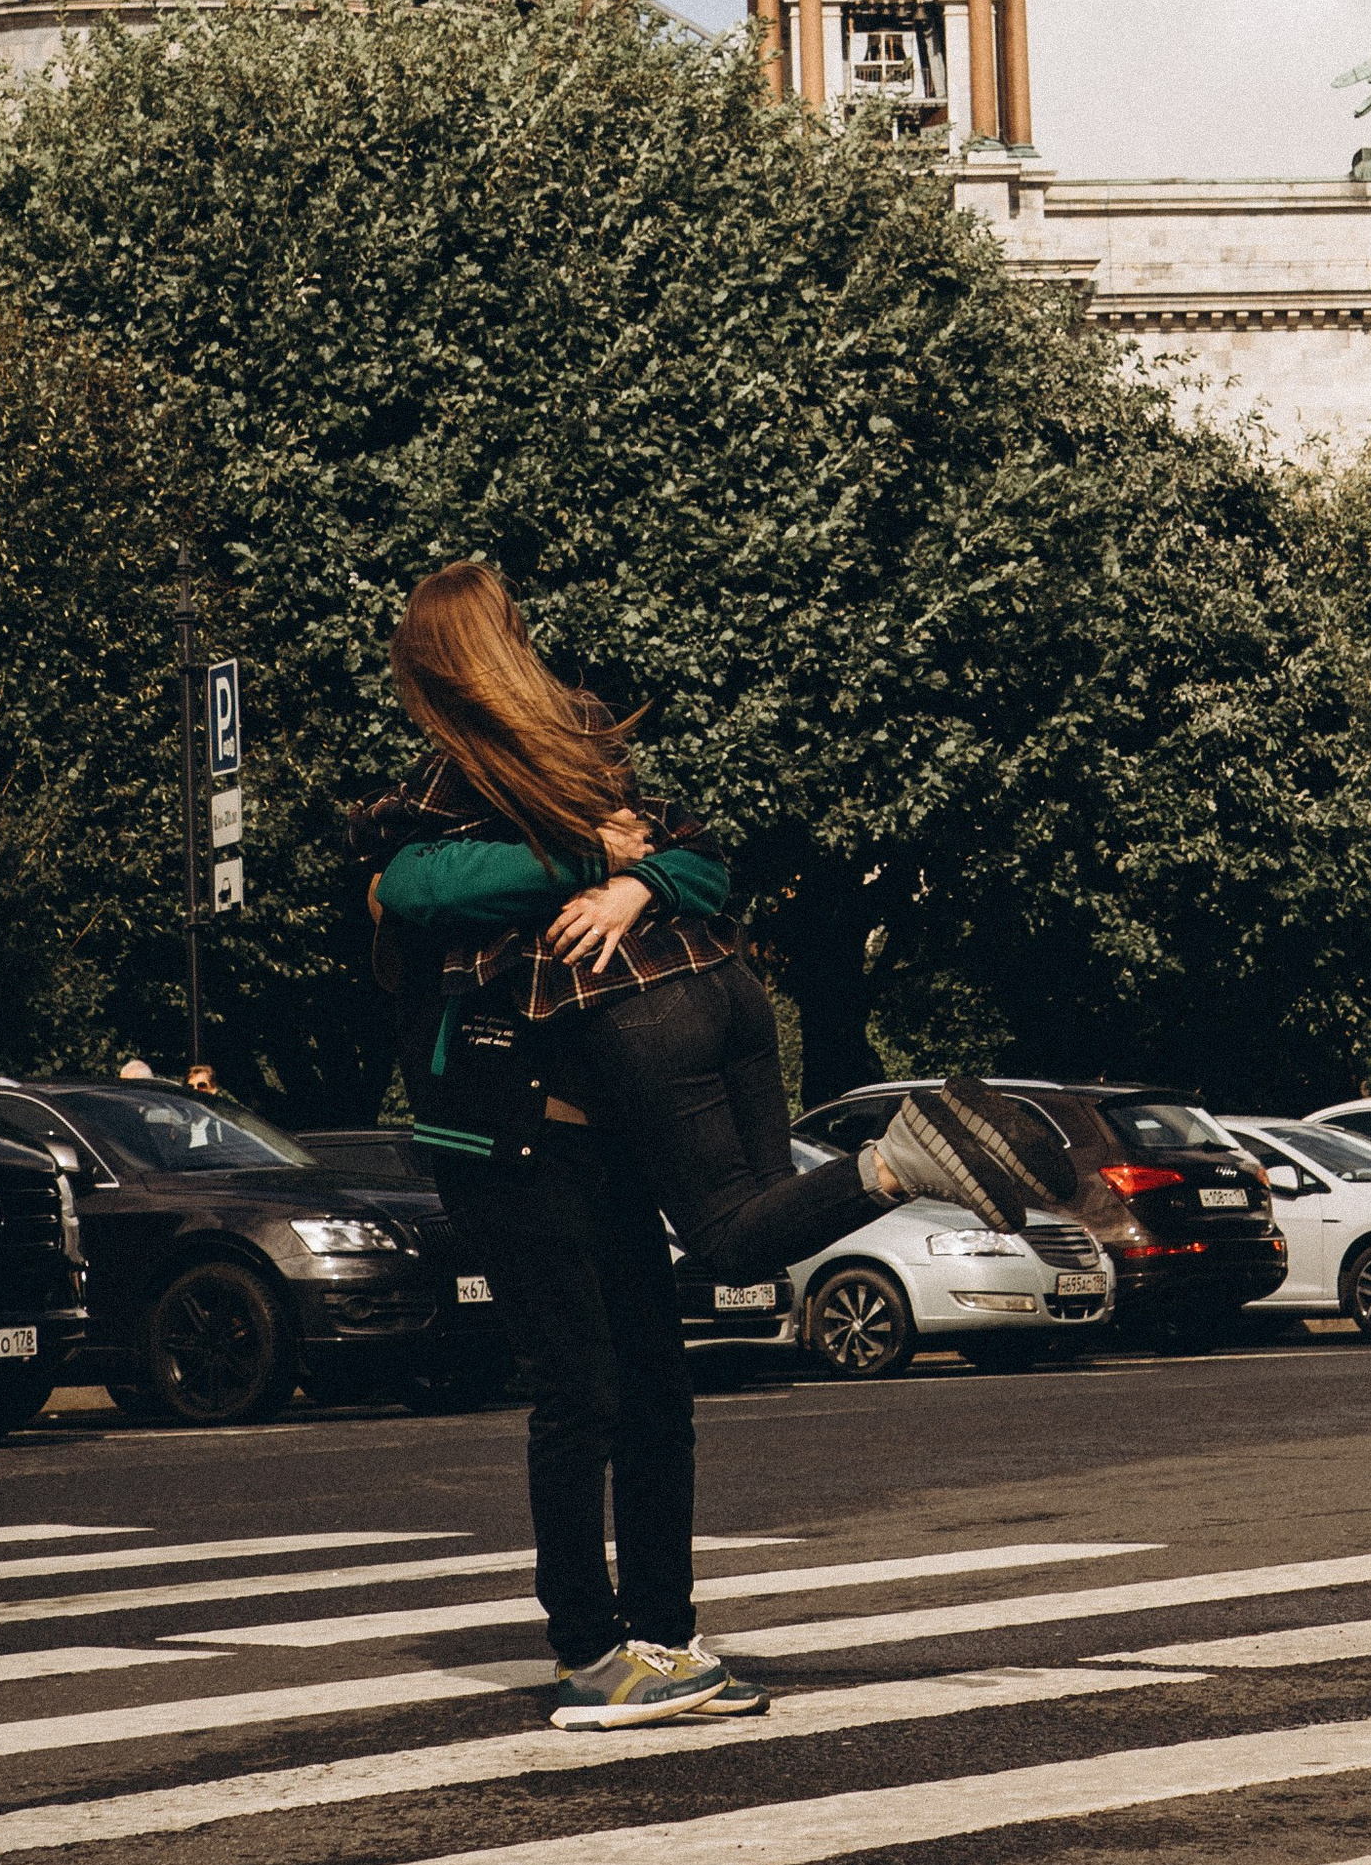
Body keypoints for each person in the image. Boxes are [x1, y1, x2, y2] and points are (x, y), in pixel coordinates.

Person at [358, 559, 1070, 1731]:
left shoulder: (531, 760)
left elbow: (697, 859)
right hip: (528, 1130)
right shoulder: (484, 785)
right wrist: (602, 861)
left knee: (635, 1392)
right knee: (603, 1382)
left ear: (426, 669)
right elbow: (414, 887)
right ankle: (606, 1651)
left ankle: (649, 1645)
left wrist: (638, 887)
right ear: (502, 646)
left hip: (563, 1140)